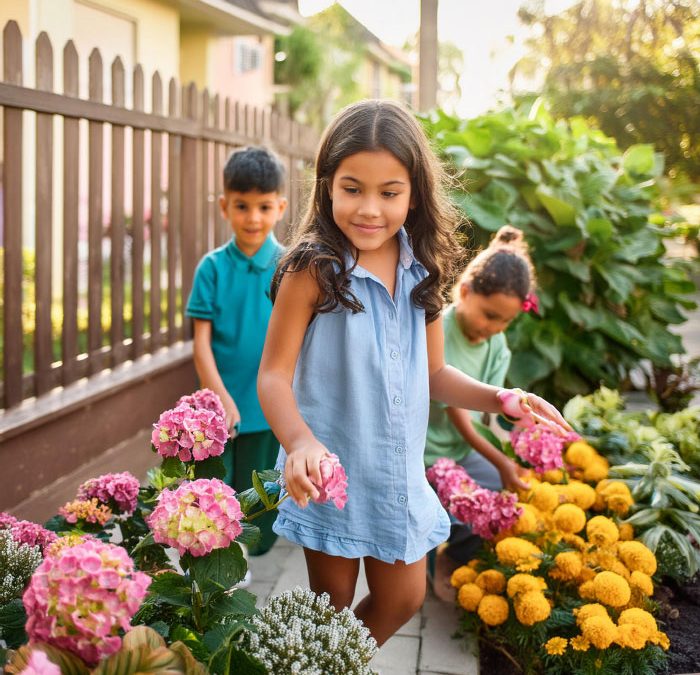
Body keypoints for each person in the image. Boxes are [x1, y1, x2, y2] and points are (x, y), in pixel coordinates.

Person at [257, 99, 570, 646]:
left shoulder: (422, 269)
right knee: (327, 608)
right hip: (329, 474)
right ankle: (319, 662)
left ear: (415, 193)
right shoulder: (314, 269)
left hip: (395, 477)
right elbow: (273, 376)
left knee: (404, 598)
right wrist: (299, 441)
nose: (369, 209)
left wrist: (502, 398)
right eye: (352, 188)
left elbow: (436, 373)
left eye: (389, 192)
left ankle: (326, 664)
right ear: (328, 185)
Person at [424, 225, 537, 601]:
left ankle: (453, 557)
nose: (494, 328)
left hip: (460, 448)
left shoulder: (496, 346)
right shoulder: (437, 326)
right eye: (489, 315)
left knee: (498, 497)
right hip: (421, 450)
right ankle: (422, 569)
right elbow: (460, 413)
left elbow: (490, 412)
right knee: (432, 514)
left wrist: (512, 454)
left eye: (504, 321)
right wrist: (501, 460)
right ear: (466, 291)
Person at [186, 146, 287, 556]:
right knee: (215, 495)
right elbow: (201, 342)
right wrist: (220, 397)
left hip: (269, 407)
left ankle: (248, 556)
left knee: (260, 500)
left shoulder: (290, 266)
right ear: (225, 206)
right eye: (242, 206)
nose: (253, 218)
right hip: (219, 409)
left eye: (264, 206)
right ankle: (222, 562)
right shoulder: (211, 268)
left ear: (280, 206)